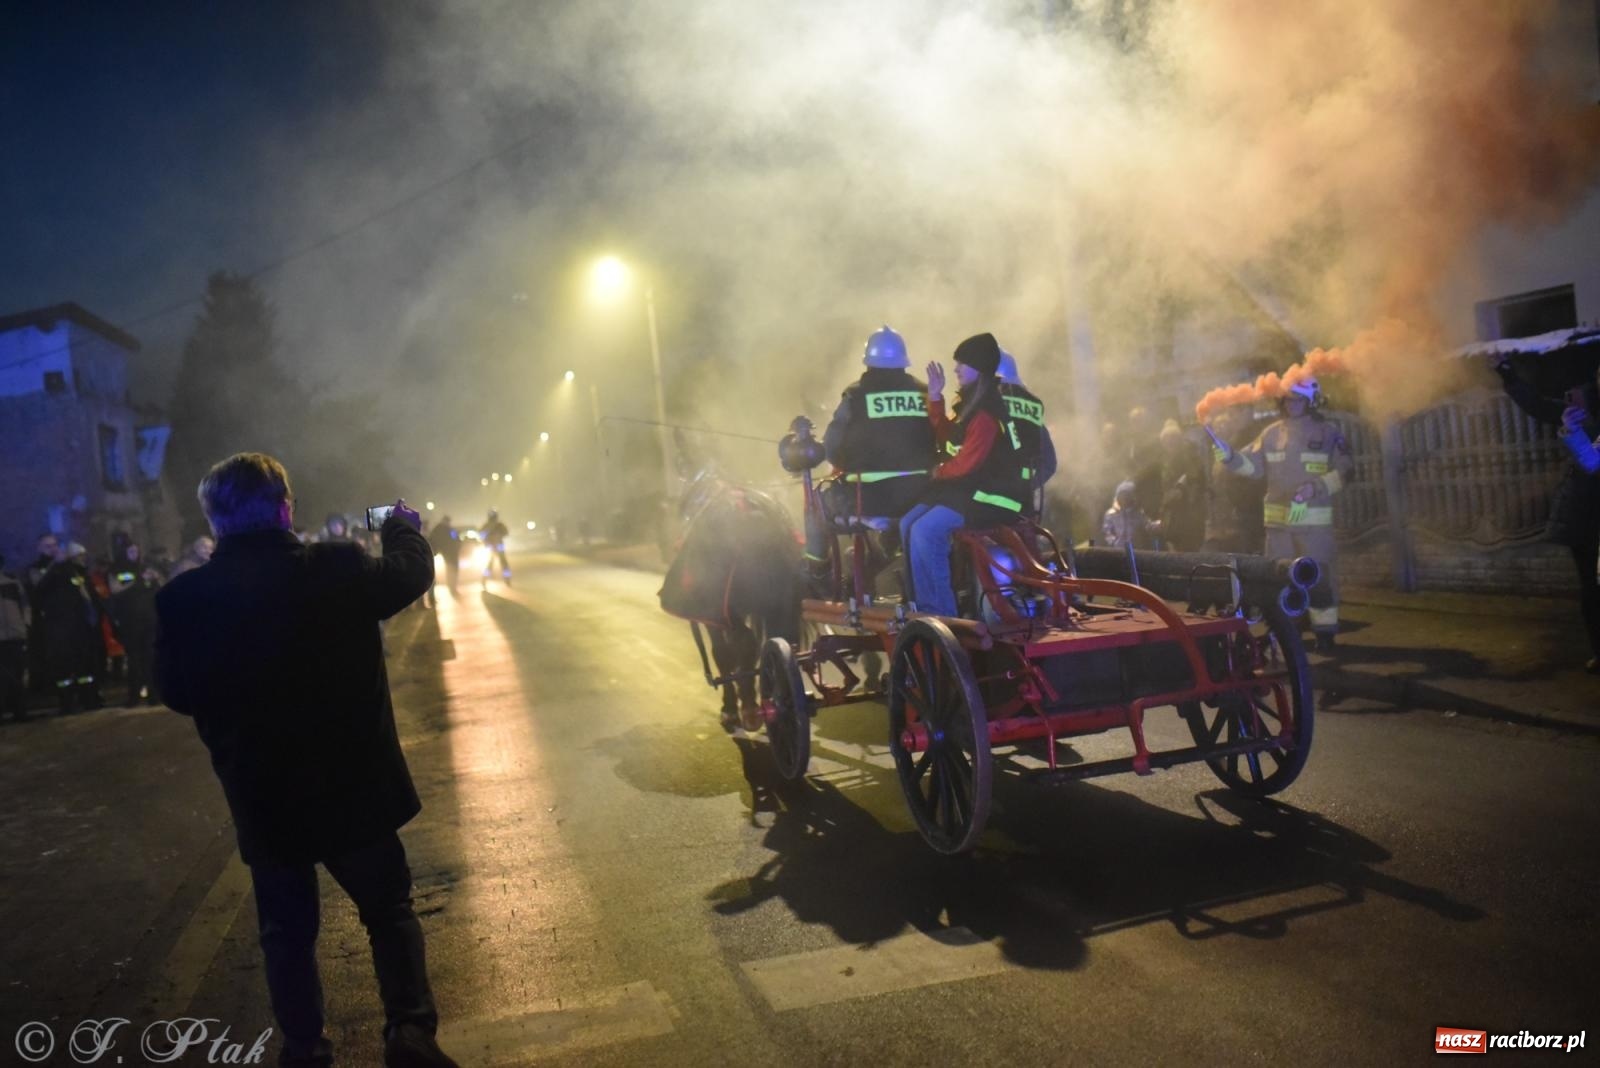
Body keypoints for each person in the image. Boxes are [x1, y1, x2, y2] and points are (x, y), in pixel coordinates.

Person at [155, 453, 456, 1068]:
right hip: (356, 790)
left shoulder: (184, 600)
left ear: (212, 519)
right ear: (285, 507)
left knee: (286, 936)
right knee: (388, 913)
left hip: (264, 799)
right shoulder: (336, 568)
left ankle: (304, 1049)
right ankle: (409, 1033)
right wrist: (398, 523)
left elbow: (177, 694)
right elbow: (409, 573)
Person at [1213, 376, 1354, 652]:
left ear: (1312, 401)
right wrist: (1229, 456)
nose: (1293, 404)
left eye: (1299, 399)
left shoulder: (1328, 433)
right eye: (1289, 399)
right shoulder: (1271, 434)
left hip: (1314, 526)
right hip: (1278, 526)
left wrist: (1313, 489)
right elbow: (1252, 467)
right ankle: (1285, 632)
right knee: (1278, 580)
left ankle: (1325, 635)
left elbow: (1346, 471)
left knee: (1319, 579)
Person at [899, 333, 1027, 617]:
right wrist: (935, 396)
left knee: (926, 530)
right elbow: (949, 441)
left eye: (962, 364)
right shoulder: (971, 405)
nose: (955, 369)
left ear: (978, 368)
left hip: (993, 498)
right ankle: (919, 606)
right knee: (908, 522)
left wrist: (937, 472)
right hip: (972, 491)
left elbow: (966, 463)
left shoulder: (985, 413)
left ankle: (941, 615)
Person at [803, 325, 936, 581]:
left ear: (869, 361)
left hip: (869, 499)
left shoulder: (856, 395)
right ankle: (888, 549)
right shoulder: (924, 393)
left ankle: (817, 569)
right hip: (922, 497)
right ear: (903, 360)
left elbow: (833, 449)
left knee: (816, 501)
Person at [1495, 355, 1600, 673]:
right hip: (1585, 519)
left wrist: (1571, 432)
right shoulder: (1584, 407)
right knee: (1591, 592)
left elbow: (1593, 463)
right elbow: (1540, 406)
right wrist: (1509, 377)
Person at [32, 542, 107, 714]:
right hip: (60, 629)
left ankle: (89, 699)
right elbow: (39, 589)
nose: (83, 559)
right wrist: (56, 565)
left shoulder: (78, 573)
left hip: (81, 627)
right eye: (80, 556)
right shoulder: (53, 572)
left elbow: (89, 598)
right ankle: (66, 703)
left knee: (85, 667)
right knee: (64, 668)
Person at [996, 348, 1057, 519]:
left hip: (983, 503)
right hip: (1022, 503)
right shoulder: (1031, 408)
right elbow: (1049, 463)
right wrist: (1028, 486)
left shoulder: (986, 405)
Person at [1202, 403, 1266, 553]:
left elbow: (1253, 475)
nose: (1222, 427)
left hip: (1249, 511)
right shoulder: (1230, 443)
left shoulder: (1254, 436)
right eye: (1230, 414)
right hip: (1233, 513)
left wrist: (1238, 500)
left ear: (1249, 412)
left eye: (1236, 413)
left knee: (1249, 556)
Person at [111, 563, 162, 706]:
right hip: (131, 625)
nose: (134, 554)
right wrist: (137, 581)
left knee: (150, 660)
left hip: (149, 625)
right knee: (134, 661)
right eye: (130, 551)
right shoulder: (120, 571)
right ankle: (134, 696)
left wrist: (155, 580)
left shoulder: (148, 571)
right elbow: (116, 591)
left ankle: (154, 695)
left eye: (135, 550)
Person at [1157, 419, 1207, 551]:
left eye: (1173, 438)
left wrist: (1177, 492)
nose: (1169, 442)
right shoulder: (1165, 460)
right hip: (1173, 518)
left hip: (1187, 518)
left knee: (1189, 553)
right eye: (1166, 439)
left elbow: (1194, 483)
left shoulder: (1189, 457)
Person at [21, 533, 60, 698]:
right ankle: (45, 689)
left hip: (63, 619)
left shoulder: (63, 566)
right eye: (48, 546)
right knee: (44, 654)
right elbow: (38, 586)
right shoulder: (35, 568)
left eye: (54, 545)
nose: (53, 549)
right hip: (43, 621)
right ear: (39, 548)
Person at [0, 557, 27, 721]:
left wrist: (25, 626)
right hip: (14, 635)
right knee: (14, 676)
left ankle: (18, 711)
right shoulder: (12, 581)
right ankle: (17, 711)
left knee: (15, 675)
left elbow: (25, 605)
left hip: (15, 635)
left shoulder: (12, 581)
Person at [1102, 480, 1162, 549]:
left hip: (1135, 550)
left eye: (1127, 496)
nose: (1124, 499)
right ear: (1118, 497)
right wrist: (1114, 542)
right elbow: (1107, 532)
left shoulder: (1138, 514)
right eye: (1122, 496)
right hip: (1117, 551)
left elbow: (1148, 526)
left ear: (1132, 497)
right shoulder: (1110, 514)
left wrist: (1158, 525)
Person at [428, 516, 462, 596]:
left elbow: (433, 539)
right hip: (450, 553)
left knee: (451, 570)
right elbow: (456, 539)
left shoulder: (439, 529)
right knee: (452, 570)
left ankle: (452, 587)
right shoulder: (448, 529)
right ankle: (452, 588)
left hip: (448, 552)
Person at [479, 509, 510, 587]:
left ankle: (484, 579)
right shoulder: (499, 525)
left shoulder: (487, 525)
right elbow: (506, 532)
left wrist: (487, 540)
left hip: (491, 547)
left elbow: (481, 535)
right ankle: (507, 579)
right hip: (498, 546)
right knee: (503, 564)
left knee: (490, 564)